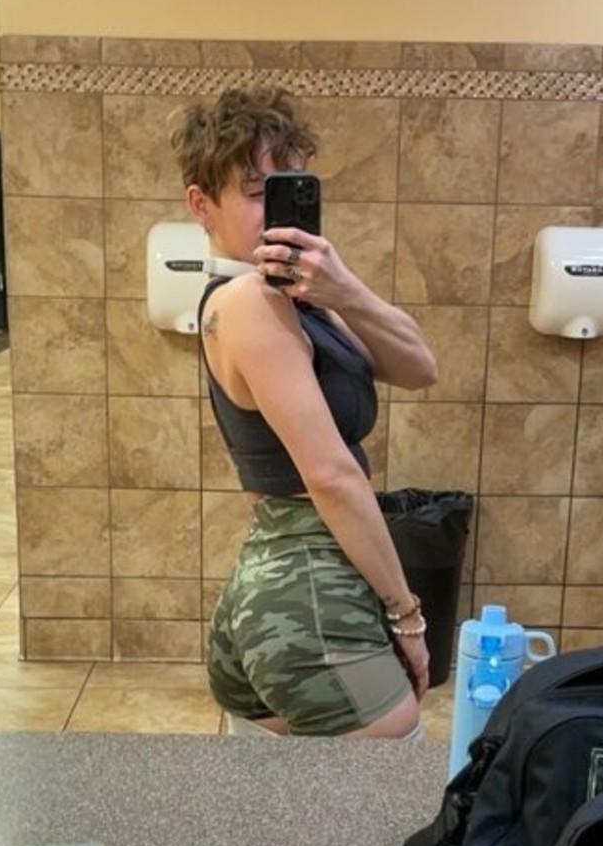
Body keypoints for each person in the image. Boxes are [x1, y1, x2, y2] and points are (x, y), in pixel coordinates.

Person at [173, 83, 438, 738]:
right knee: (390, 766)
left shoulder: (295, 296)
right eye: (254, 191)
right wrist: (406, 614)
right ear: (201, 204)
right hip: (306, 591)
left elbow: (419, 367)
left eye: (287, 186)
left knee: (281, 794)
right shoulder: (247, 302)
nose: (273, 211)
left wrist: (344, 288)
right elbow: (331, 475)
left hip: (282, 583)